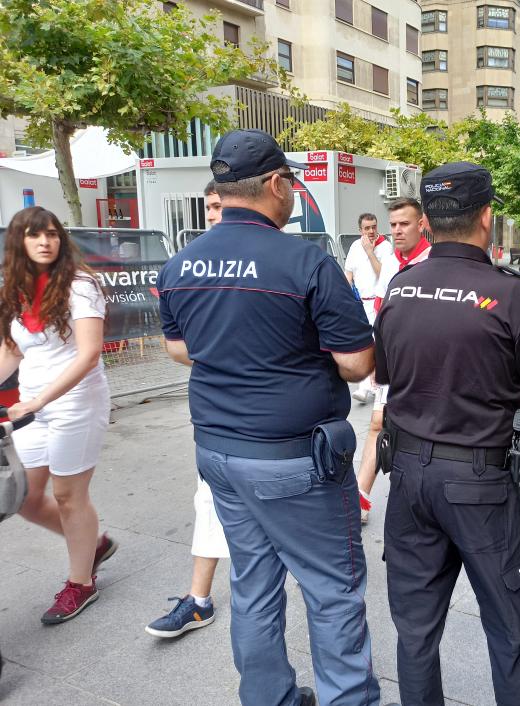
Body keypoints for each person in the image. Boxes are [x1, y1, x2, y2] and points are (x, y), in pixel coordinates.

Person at [156, 129, 379, 706]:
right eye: (293, 186)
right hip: (293, 458)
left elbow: (179, 349)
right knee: (332, 590)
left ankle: (268, 698)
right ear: (276, 184)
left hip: (220, 454)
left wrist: (232, 347)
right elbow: (355, 365)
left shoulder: (180, 264)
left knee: (253, 584)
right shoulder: (306, 260)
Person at [376, 162, 520, 706]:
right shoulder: (512, 295)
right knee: (513, 630)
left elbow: (388, 382)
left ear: (429, 224)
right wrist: (516, 448)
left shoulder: (399, 289)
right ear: (487, 218)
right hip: (481, 480)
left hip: (409, 477)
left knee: (415, 631)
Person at [0, 206, 115, 624]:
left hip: (75, 402)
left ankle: (80, 583)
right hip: (31, 405)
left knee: (69, 496)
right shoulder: (16, 288)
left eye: (51, 234)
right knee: (25, 500)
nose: (45, 241)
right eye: (34, 235)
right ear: (20, 242)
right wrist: (29, 401)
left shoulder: (80, 285)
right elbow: (13, 351)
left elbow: (87, 355)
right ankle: (92, 544)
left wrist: (39, 400)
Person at [146, 180, 231, 639]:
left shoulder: (276, 258)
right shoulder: (187, 267)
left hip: (279, 419)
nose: (216, 214)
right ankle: (199, 600)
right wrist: (224, 358)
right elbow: (174, 347)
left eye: (222, 205)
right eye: (211, 207)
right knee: (210, 502)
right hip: (217, 414)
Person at [357, 198, 432, 525]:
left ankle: (424, 500)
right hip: (392, 359)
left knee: (418, 431)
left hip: (425, 364)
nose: (397, 230)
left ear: (422, 224)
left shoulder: (434, 260)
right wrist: (376, 357)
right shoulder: (389, 261)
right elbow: (380, 312)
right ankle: (359, 496)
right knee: (377, 423)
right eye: (394, 225)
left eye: (404, 224)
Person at [346, 212, 394, 404]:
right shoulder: (355, 246)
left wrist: (370, 252)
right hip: (360, 303)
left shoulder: (385, 247)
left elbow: (384, 275)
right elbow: (348, 273)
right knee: (363, 344)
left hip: (379, 302)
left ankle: (368, 387)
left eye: (374, 226)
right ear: (360, 230)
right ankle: (369, 386)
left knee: (375, 344)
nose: (371, 231)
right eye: (367, 228)